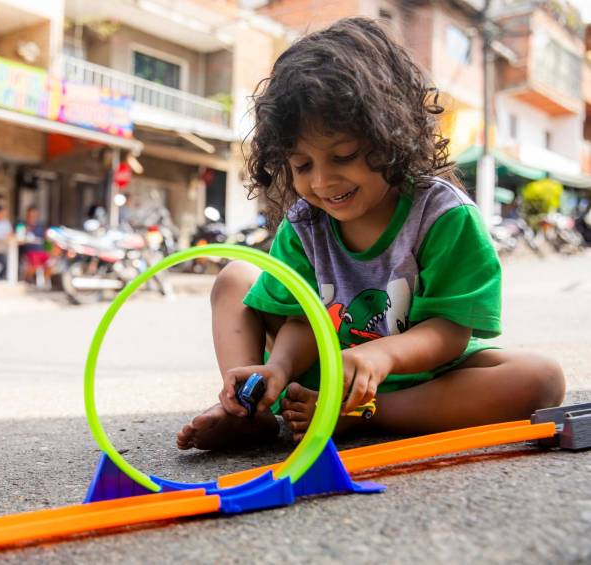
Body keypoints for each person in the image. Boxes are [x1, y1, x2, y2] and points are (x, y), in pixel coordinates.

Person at [176, 18, 565, 451]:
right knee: (236, 277)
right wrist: (279, 369)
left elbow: (451, 331)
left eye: (342, 156)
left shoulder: (442, 216)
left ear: (390, 136)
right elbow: (301, 317)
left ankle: (360, 414)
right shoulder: (306, 223)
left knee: (541, 380)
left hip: (423, 381)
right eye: (302, 165)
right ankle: (248, 409)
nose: (322, 181)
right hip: (321, 373)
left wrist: (380, 357)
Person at [17, 205, 51, 284]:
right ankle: (26, 280)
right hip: (28, 253)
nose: (32, 217)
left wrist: (48, 249)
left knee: (50, 262)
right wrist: (25, 231)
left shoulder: (40, 226)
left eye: (34, 215)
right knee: (34, 263)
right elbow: (19, 240)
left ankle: (45, 283)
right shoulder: (22, 225)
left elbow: (46, 241)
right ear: (27, 215)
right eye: (30, 215)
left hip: (41, 252)